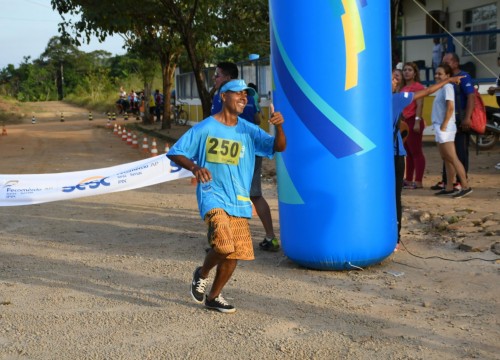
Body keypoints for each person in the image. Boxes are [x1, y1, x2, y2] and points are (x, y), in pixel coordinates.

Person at [167, 79, 286, 313]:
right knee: (223, 245)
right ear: (223, 97)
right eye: (238, 94)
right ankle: (201, 274)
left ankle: (213, 296)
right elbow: (176, 152)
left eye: (246, 95)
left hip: (239, 200)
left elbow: (278, 147)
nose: (244, 98)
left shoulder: (248, 130)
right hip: (213, 195)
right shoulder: (206, 128)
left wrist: (280, 127)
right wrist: (194, 168)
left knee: (235, 253)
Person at [392, 69, 464, 251]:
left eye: (395, 78)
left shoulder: (398, 98)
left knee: (395, 197)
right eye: (391, 77)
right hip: (382, 157)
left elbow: (426, 91)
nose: (393, 80)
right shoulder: (378, 99)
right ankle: (391, 236)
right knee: (387, 196)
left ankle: (396, 237)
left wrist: (448, 80)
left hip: (395, 155)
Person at [210, 63, 280, 251]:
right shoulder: (250, 96)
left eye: (217, 75)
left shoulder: (222, 97)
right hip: (253, 148)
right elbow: (257, 120)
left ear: (226, 77)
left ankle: (223, 241)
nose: (214, 79)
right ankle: (271, 237)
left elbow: (217, 126)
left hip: (233, 151)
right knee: (255, 194)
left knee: (225, 194)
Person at [431, 53, 475, 191]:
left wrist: (444, 125)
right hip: (441, 126)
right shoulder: (442, 87)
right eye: (436, 73)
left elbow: (450, 107)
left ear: (447, 75)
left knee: (454, 157)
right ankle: (449, 186)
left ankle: (465, 185)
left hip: (446, 127)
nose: (437, 76)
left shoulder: (448, 87)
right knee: (447, 158)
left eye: (440, 74)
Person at [401, 62, 426, 189]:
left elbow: (420, 105)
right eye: (405, 70)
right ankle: (409, 179)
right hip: (405, 122)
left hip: (413, 121)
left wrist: (417, 121)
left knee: (416, 152)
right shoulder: (402, 88)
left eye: (410, 70)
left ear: (415, 73)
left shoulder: (418, 87)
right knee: (408, 153)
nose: (406, 72)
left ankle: (419, 180)